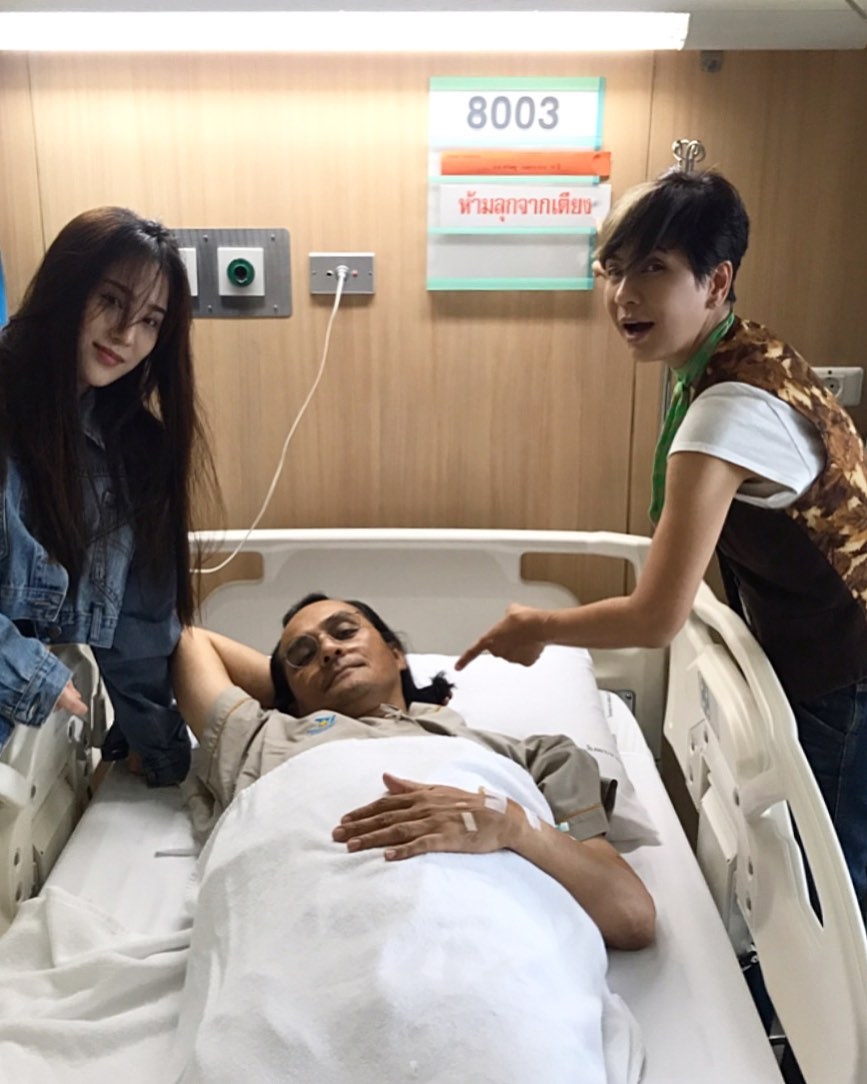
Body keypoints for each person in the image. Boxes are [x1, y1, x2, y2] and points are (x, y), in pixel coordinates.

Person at [456, 167, 867, 919]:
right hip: (821, 650)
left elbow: (655, 618)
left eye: (652, 268)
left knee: (834, 889)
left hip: (845, 666)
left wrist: (539, 626)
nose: (624, 295)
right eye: (612, 270)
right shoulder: (741, 354)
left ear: (716, 282)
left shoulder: (726, 412)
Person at [171, 592, 656, 951]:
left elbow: (629, 915)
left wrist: (511, 824)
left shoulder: (528, 758)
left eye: (345, 632)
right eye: (303, 654)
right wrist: (292, 697)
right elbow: (191, 641)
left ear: (396, 652)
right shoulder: (262, 739)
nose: (329, 650)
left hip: (478, 945)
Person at [0, 207, 219, 786]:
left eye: (150, 320)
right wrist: (25, 673)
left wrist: (161, 753)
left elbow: (139, 628)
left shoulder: (134, 451)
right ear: (66, 288)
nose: (126, 335)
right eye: (112, 301)